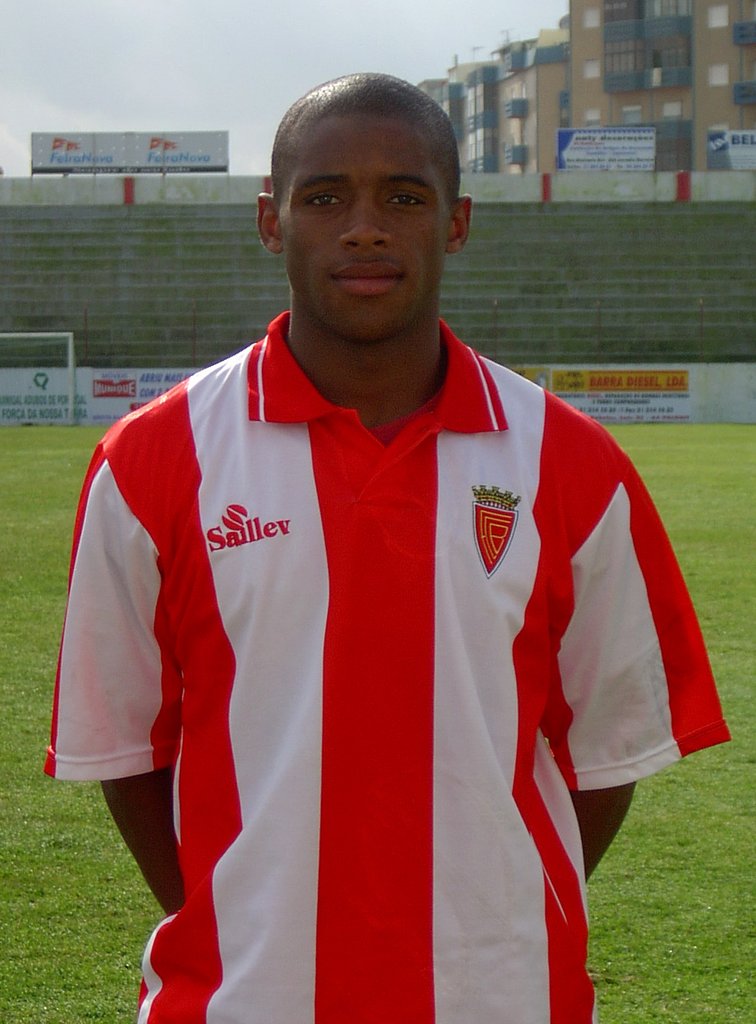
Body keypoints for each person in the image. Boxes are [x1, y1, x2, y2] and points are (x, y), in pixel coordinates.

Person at [46, 73, 729, 1024]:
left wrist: (488, 899)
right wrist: (247, 911)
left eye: (404, 198)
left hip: (500, 1000)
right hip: (244, 1000)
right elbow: (126, 751)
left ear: (456, 223)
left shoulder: (572, 462)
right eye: (325, 197)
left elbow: (608, 751)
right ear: (271, 221)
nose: (365, 229)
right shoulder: (153, 460)